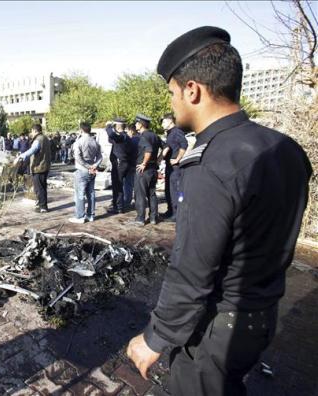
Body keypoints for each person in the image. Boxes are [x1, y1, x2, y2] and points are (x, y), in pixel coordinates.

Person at [126, 26, 312, 396]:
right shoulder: (286, 148)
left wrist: (155, 337)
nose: (173, 104)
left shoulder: (211, 163)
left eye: (173, 93)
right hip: (261, 316)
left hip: (218, 328)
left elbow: (194, 268)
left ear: (192, 90)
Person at [69, 122, 102, 223]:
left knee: (80, 194)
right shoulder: (95, 142)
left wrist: (88, 166)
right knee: (91, 193)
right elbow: (100, 157)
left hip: (82, 170)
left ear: (81, 130)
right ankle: (90, 215)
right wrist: (94, 166)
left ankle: (80, 216)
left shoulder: (78, 142)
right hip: (92, 171)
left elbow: (78, 158)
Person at [133, 114, 162, 225]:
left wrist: (144, 163)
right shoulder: (155, 136)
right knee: (152, 194)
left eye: (136, 123)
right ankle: (153, 218)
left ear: (141, 124)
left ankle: (140, 219)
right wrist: (158, 160)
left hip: (143, 170)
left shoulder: (143, 136)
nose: (135, 125)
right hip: (153, 169)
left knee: (140, 195)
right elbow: (166, 147)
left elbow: (148, 150)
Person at [15, 124, 52, 213]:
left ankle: (43, 207)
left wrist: (20, 157)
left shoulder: (38, 140)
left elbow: (32, 151)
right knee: (42, 187)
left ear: (35, 130)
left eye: (31, 131)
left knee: (39, 188)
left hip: (38, 167)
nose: (31, 133)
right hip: (45, 166)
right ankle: (42, 205)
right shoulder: (45, 138)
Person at [159, 113, 188, 221]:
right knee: (168, 190)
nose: (162, 124)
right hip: (169, 167)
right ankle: (170, 210)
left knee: (174, 190)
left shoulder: (177, 131)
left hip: (175, 167)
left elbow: (184, 144)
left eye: (164, 121)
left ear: (170, 121)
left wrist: (177, 159)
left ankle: (176, 214)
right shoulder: (170, 133)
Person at [106, 117, 132, 214]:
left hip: (119, 164)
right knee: (118, 185)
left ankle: (118, 207)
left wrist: (108, 126)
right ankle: (116, 204)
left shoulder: (122, 137)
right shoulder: (123, 137)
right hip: (121, 163)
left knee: (117, 186)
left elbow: (111, 134)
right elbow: (110, 139)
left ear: (116, 126)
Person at [123, 124, 138, 209]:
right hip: (139, 165)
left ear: (131, 131)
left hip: (131, 165)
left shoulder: (131, 141)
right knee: (137, 185)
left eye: (127, 131)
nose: (127, 133)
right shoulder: (141, 139)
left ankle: (127, 202)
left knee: (128, 185)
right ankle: (137, 201)